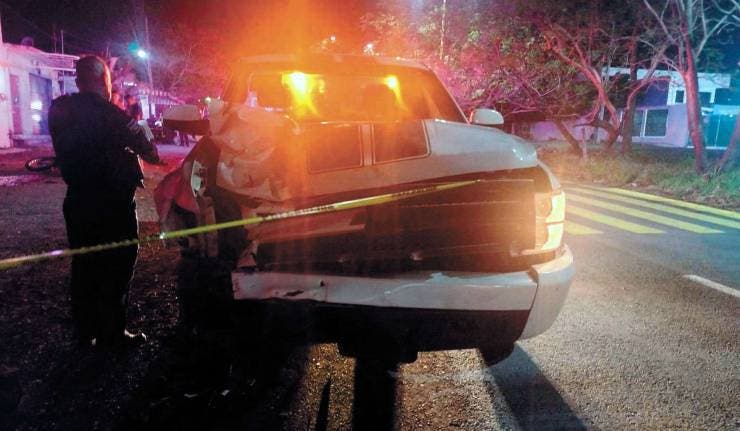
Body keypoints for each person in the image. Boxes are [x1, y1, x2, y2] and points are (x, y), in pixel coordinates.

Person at [49, 55, 162, 350]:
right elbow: (151, 152)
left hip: (78, 201)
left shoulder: (59, 110)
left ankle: (85, 332)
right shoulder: (114, 116)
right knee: (118, 265)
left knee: (84, 265)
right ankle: (112, 333)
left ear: (78, 81)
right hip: (114, 204)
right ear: (105, 81)